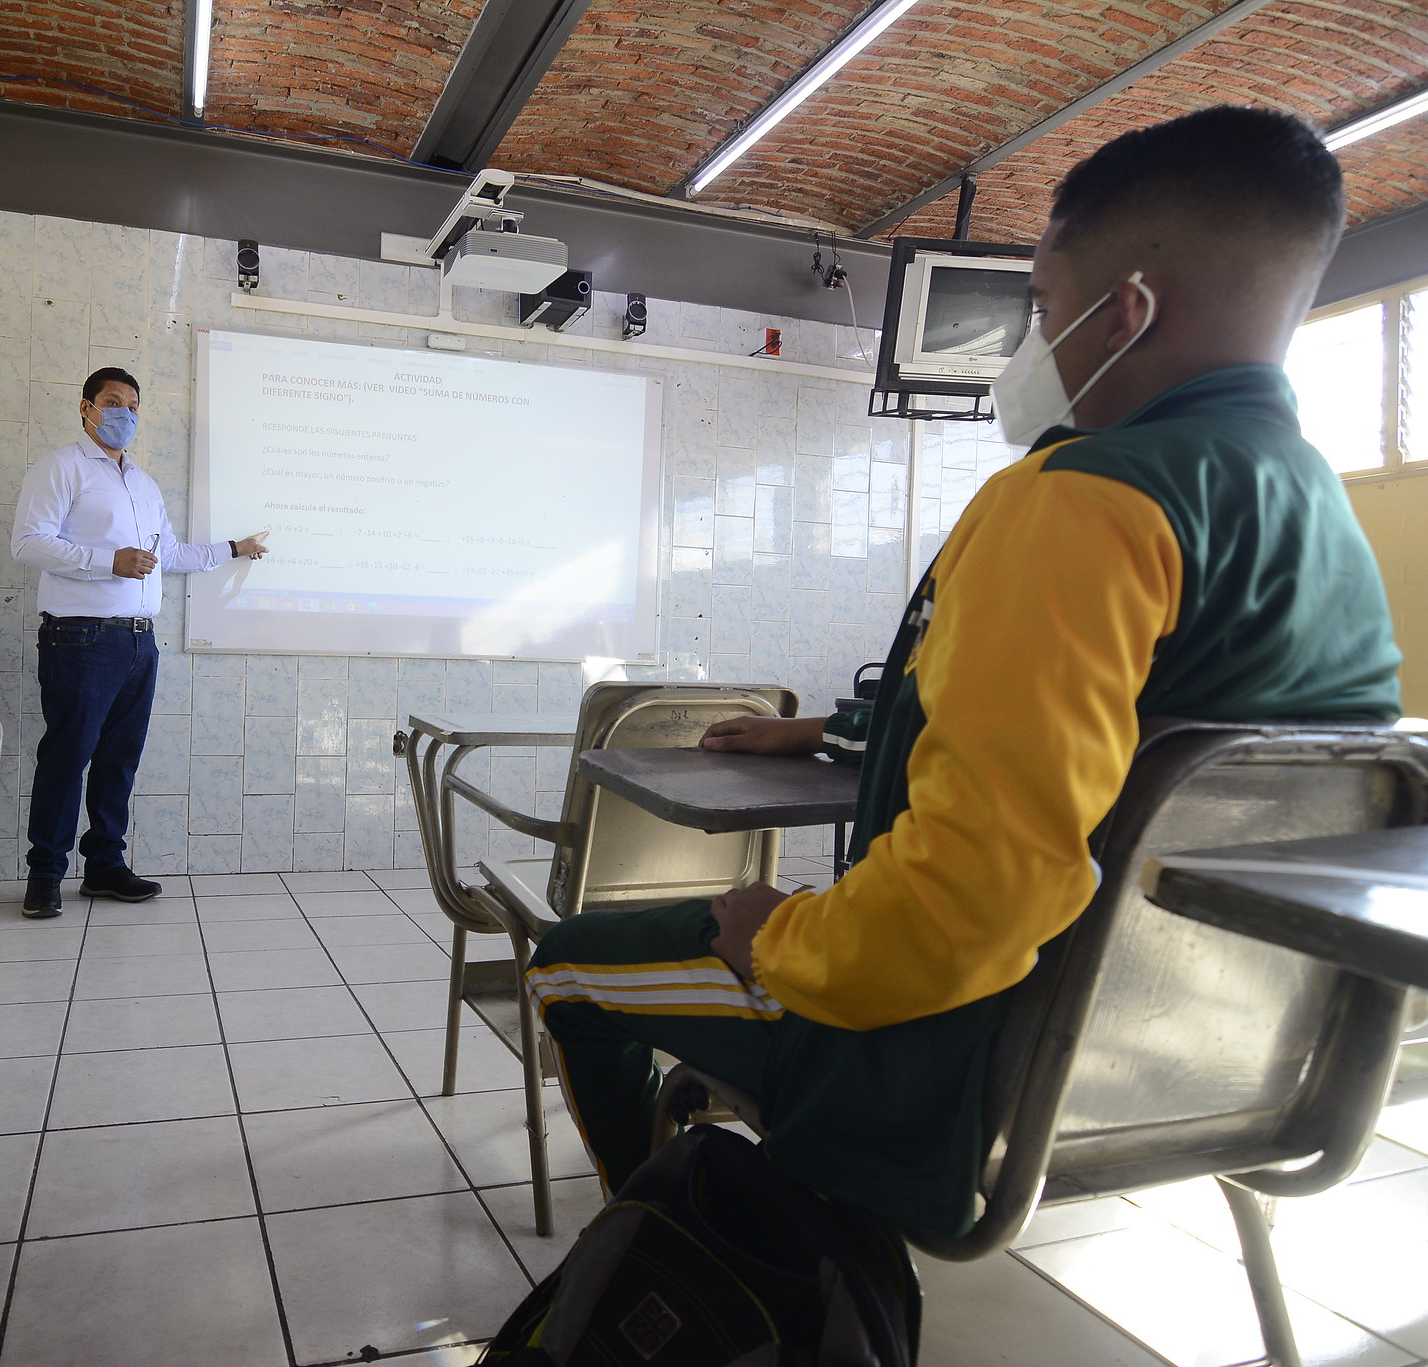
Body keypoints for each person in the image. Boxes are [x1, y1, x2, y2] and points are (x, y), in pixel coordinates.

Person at [527, 105, 1403, 1237]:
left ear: (1124, 309)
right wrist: (845, 732)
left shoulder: (1082, 495)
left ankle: (656, 1245)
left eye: (1041, 309)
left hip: (938, 1056)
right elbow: (1122, 734)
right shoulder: (1310, 505)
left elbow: (974, 896)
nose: (1030, 345)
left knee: (566, 966)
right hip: (1196, 1053)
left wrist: (778, 937)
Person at [12, 367, 268, 913]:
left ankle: (104, 865)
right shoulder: (61, 468)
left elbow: (168, 555)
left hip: (137, 642)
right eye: (112, 402)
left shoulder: (143, 484)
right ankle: (45, 877)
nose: (124, 413)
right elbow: (29, 544)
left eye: (132, 405)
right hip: (78, 638)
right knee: (67, 757)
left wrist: (234, 548)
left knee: (119, 759)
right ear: (87, 408)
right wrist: (108, 562)